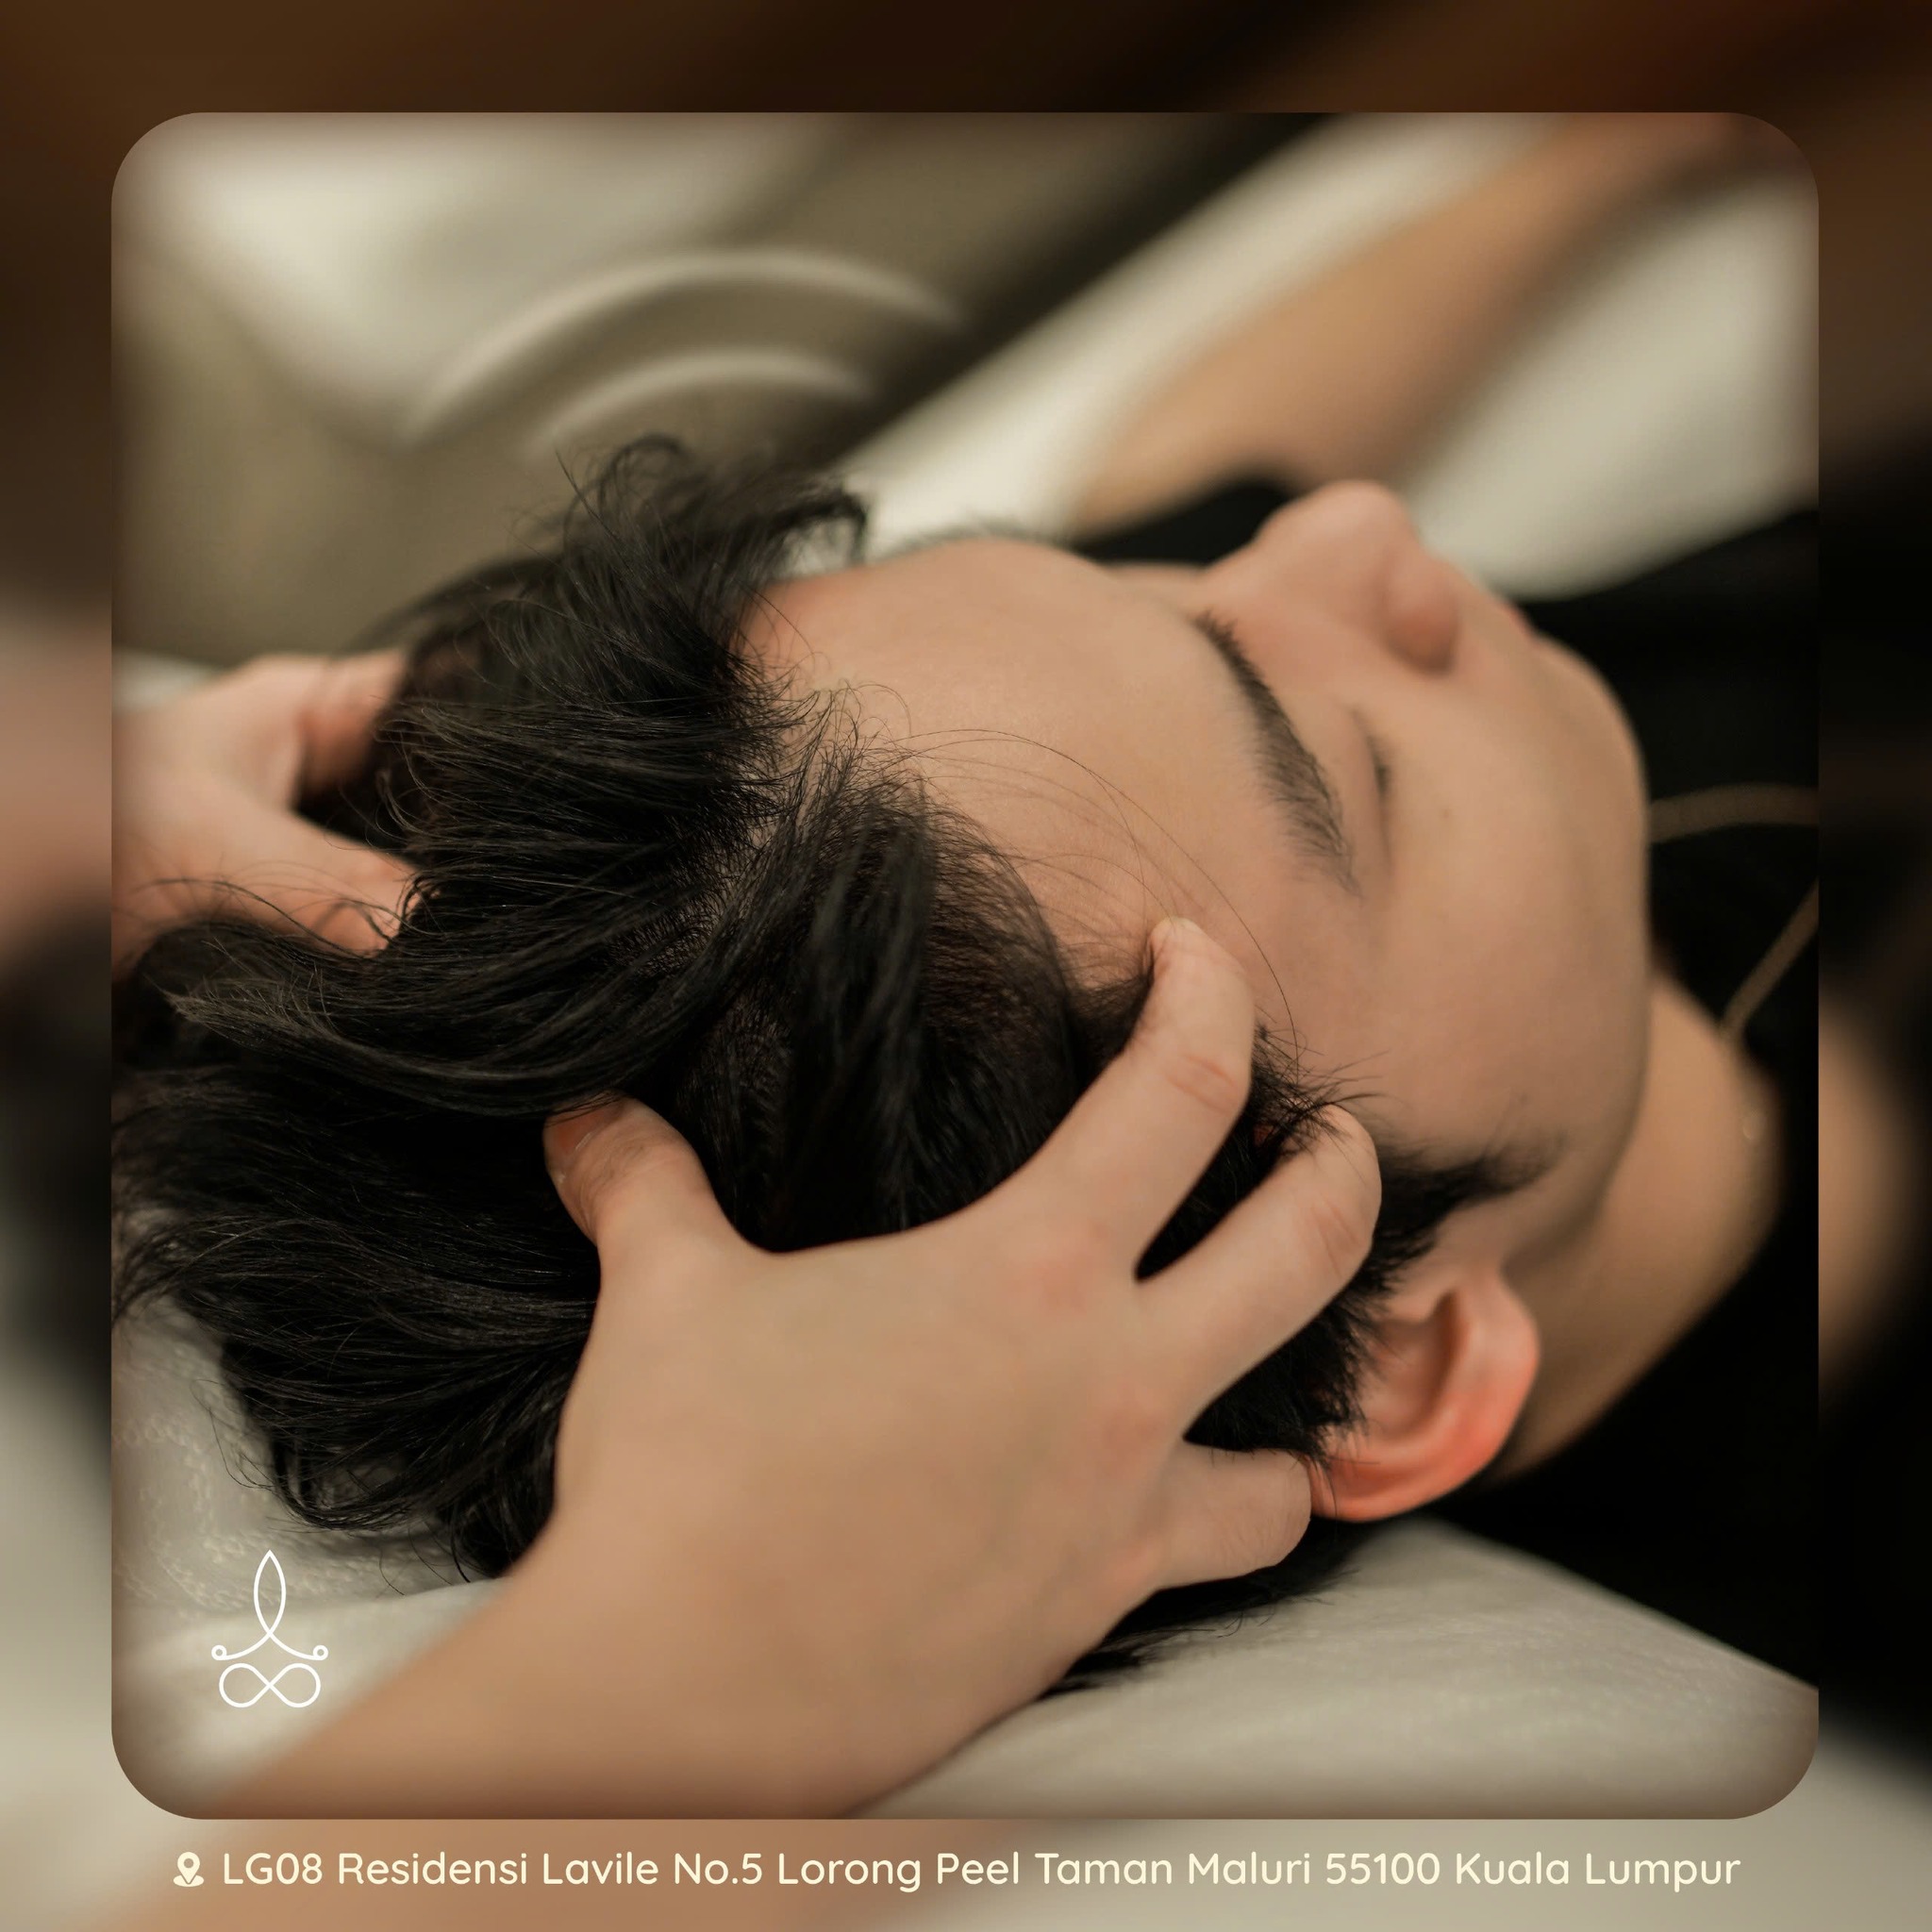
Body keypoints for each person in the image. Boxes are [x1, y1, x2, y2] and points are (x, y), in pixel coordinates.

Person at [112, 112, 1815, 1812]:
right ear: (1394, 1361)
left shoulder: (1173, 791)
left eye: (1163, 591)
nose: (1356, 537)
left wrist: (1591, 157)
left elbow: (1220, 461)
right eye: (1358, 770)